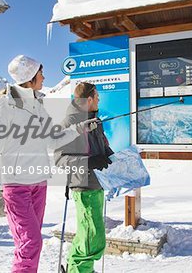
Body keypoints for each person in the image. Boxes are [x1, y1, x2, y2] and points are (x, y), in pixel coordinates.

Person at [0, 55, 98, 273]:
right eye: (40, 73)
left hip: (39, 185)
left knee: (30, 244)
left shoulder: (38, 104)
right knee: (30, 243)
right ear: (30, 77)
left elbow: (52, 139)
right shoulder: (3, 107)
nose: (44, 77)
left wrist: (78, 128)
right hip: (16, 186)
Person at [55, 82, 114, 273]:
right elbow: (60, 159)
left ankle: (77, 268)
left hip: (98, 184)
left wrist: (110, 156)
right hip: (84, 186)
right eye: (97, 97)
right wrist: (90, 162)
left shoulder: (95, 121)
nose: (99, 99)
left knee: (88, 235)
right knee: (92, 239)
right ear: (89, 99)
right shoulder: (68, 124)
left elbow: (103, 146)